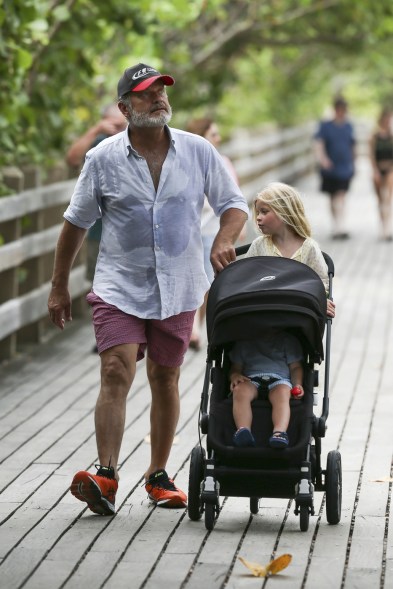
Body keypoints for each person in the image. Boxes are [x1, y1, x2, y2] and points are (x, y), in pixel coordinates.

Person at [47, 62, 248, 515]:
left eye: (161, 90)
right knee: (116, 369)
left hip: (179, 284)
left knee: (165, 376)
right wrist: (59, 286)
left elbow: (234, 204)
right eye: (144, 93)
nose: (157, 97)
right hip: (120, 282)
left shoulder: (198, 151)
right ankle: (106, 473)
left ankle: (157, 474)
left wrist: (222, 238)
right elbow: (75, 224)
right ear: (124, 106)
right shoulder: (102, 159)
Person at [228, 182, 335, 449]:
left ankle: (280, 431)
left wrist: (322, 301)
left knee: (284, 388)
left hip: (291, 325)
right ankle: (243, 431)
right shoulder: (259, 247)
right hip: (259, 319)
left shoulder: (309, 249)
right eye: (257, 213)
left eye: (265, 212)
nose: (259, 219)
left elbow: (320, 282)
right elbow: (245, 279)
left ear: (285, 212)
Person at [186, 118, 240, 351]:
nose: (218, 139)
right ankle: (191, 326)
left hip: (212, 228)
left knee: (207, 278)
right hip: (189, 230)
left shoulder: (224, 161)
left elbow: (234, 194)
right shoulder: (187, 161)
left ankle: (197, 326)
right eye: (213, 134)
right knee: (190, 278)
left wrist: (237, 225)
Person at [66, 105, 127, 284]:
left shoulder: (138, 142)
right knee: (97, 288)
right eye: (112, 124)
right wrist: (96, 130)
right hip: (100, 233)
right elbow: (72, 159)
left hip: (131, 234)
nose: (117, 129)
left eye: (121, 124)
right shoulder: (98, 143)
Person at [314, 97, 356, 240]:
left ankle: (341, 226)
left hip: (344, 167)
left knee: (341, 195)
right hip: (330, 167)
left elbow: (352, 145)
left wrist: (354, 162)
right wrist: (323, 159)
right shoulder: (326, 126)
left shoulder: (348, 126)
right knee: (333, 197)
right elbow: (319, 143)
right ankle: (335, 225)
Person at [369, 108, 393, 241]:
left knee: (388, 199)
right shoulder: (374, 136)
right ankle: (382, 227)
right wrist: (375, 171)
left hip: (390, 169)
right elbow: (371, 155)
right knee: (380, 200)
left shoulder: (391, 136)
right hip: (378, 169)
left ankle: (388, 229)